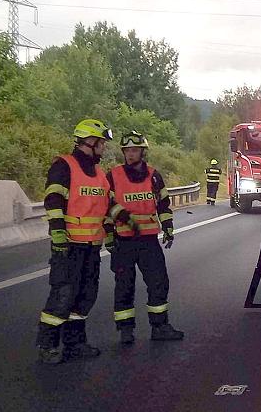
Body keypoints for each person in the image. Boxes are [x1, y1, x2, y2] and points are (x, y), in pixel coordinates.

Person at [37, 119, 117, 364]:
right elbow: (53, 201)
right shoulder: (64, 166)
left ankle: (75, 343)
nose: (104, 147)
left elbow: (108, 206)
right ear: (90, 142)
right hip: (69, 246)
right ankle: (48, 345)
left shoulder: (100, 175)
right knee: (63, 295)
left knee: (86, 295)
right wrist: (58, 234)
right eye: (101, 143)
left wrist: (113, 232)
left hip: (91, 246)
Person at [106, 130, 184, 344]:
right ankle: (125, 330)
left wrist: (168, 227)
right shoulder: (113, 176)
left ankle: (159, 327)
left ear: (142, 152)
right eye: (127, 151)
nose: (131, 154)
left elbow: (164, 205)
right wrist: (109, 235)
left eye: (135, 150)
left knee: (158, 282)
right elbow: (106, 206)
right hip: (124, 241)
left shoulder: (153, 175)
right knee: (124, 285)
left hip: (149, 240)